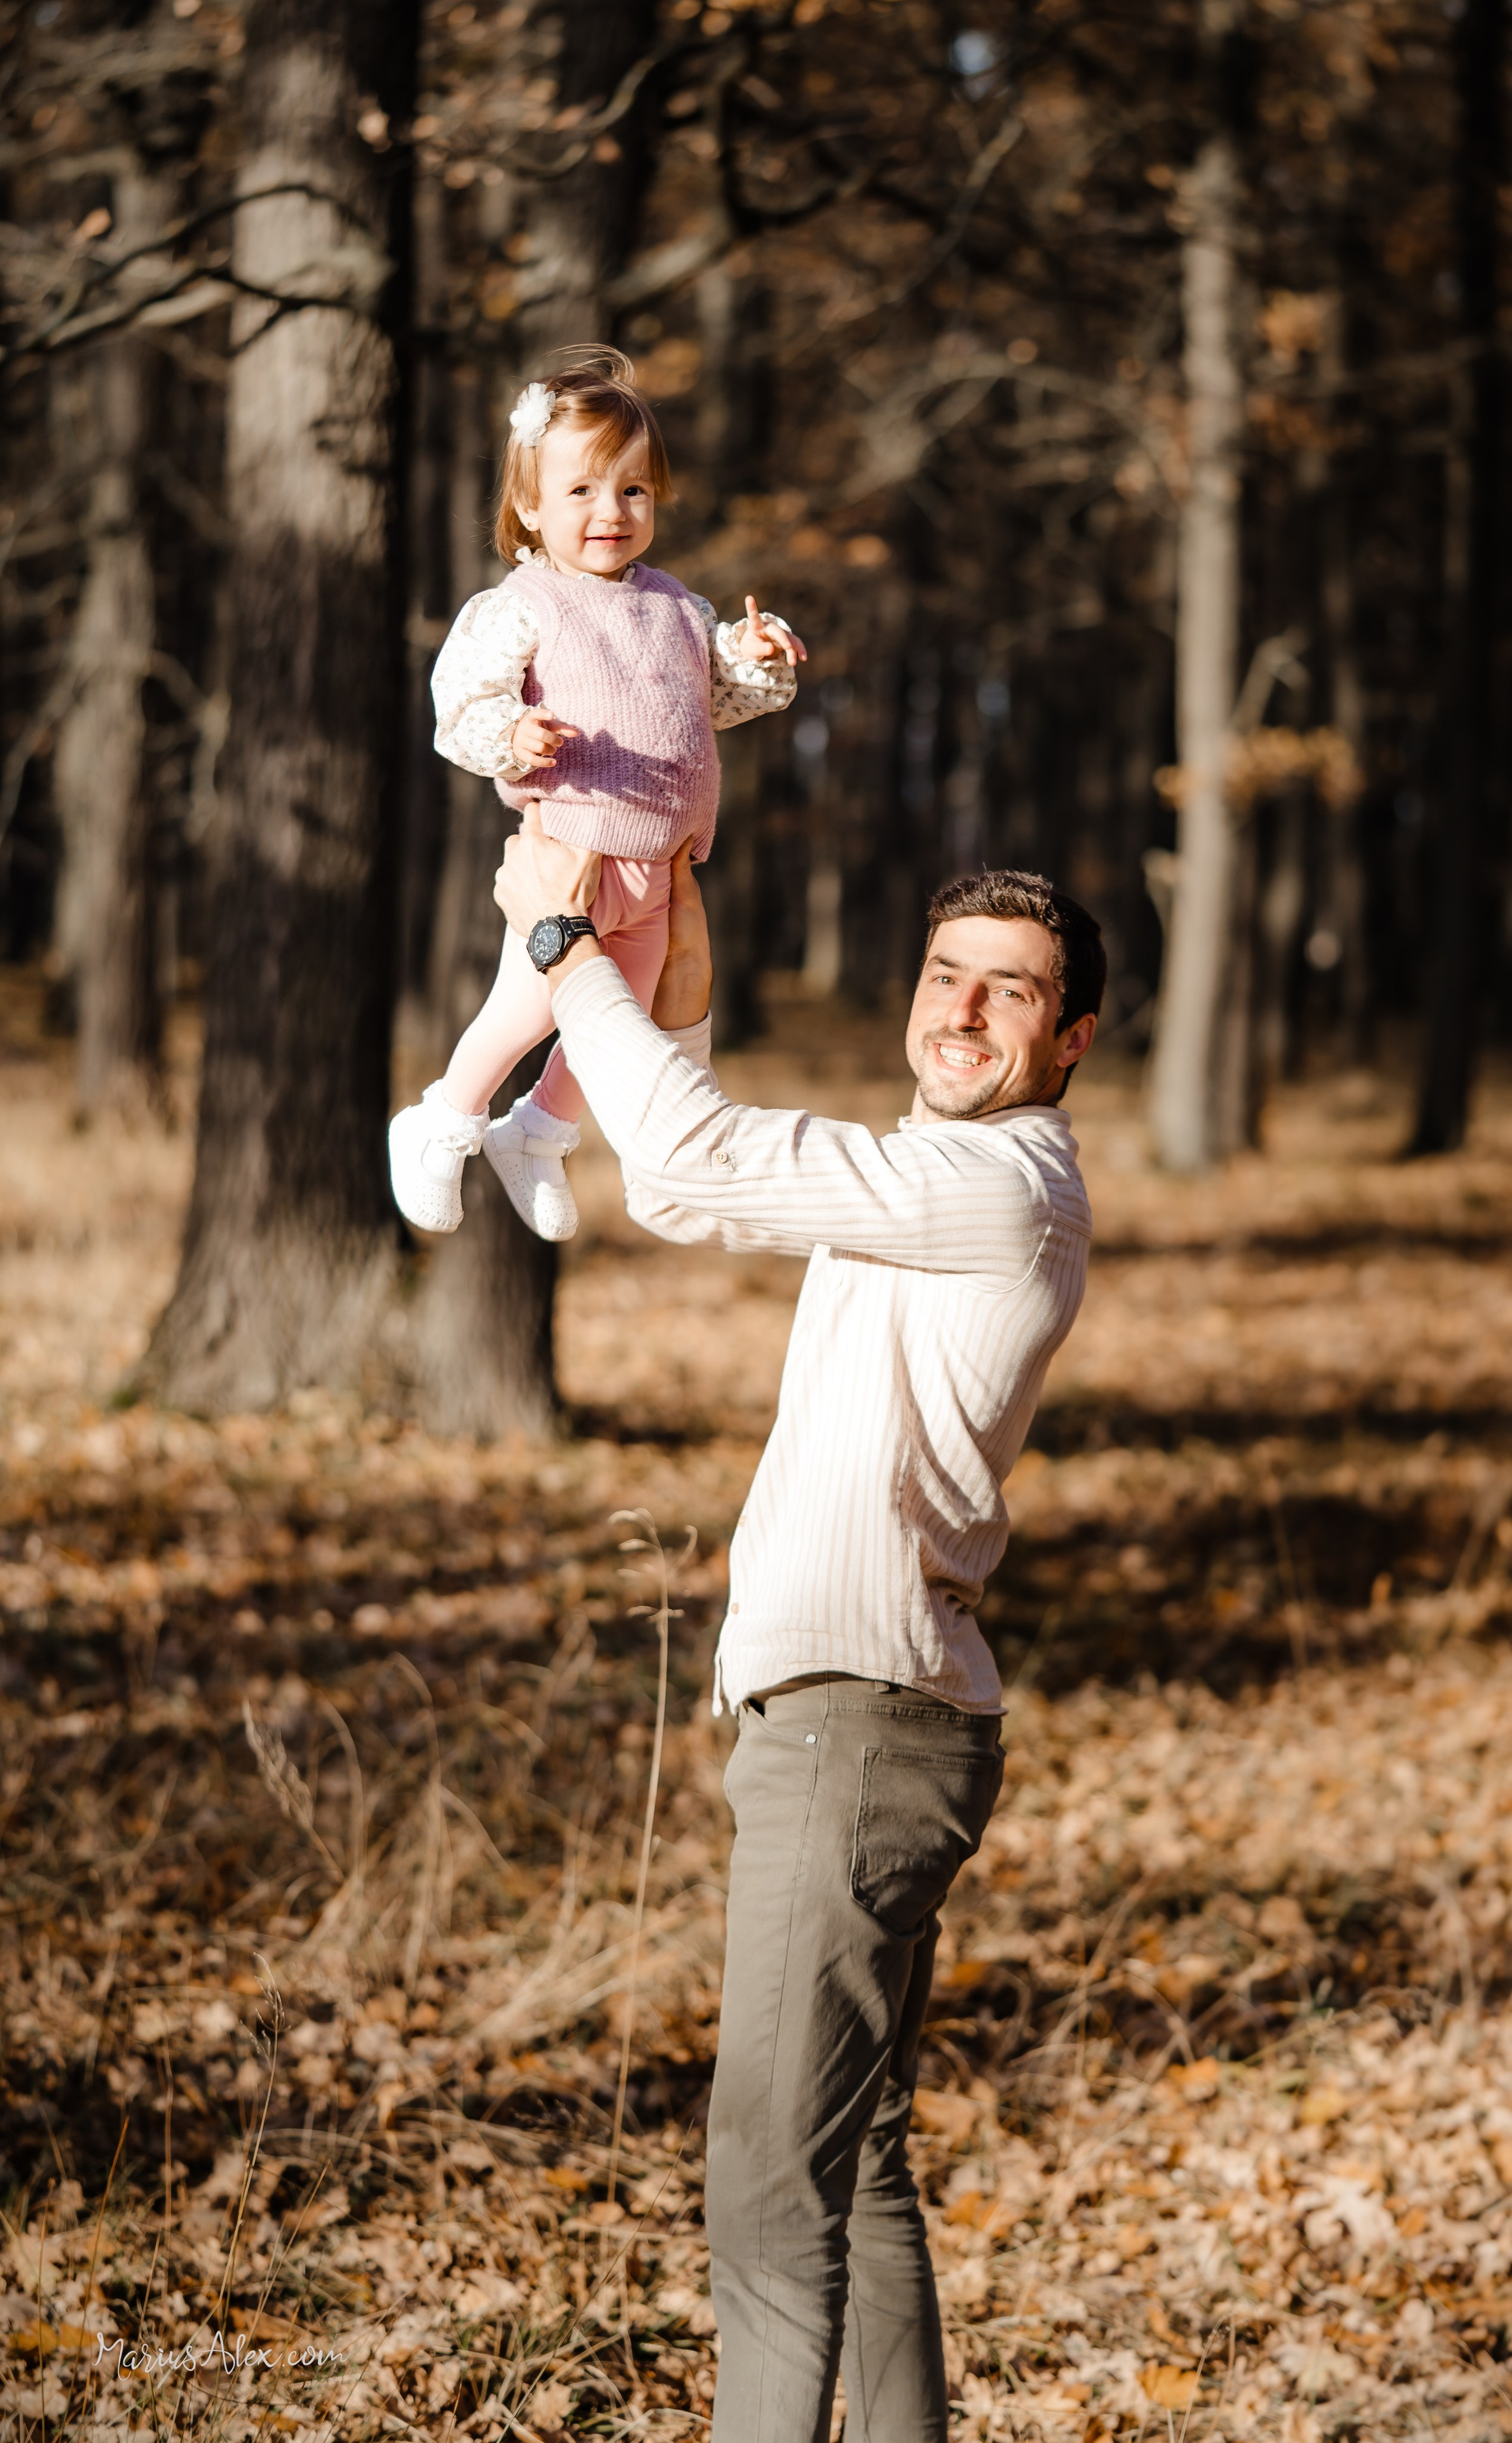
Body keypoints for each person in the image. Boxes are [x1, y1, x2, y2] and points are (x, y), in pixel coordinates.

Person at [493, 813, 1101, 2443]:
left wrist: (557, 955)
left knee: (766, 2190)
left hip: (855, 1730)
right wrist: (656, 970)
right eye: (944, 976)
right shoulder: (929, 1181)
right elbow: (703, 1166)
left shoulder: (990, 1187)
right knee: (858, 2158)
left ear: (1071, 1038)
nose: (963, 1013)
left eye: (1011, 993)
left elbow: (691, 1165)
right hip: (872, 1721)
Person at [388, 349, 804, 1244]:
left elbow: (710, 697)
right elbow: (459, 699)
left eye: (633, 493)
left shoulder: (677, 609)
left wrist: (754, 657)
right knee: (532, 1003)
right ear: (529, 507)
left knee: (622, 1022)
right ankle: (442, 1116)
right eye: (580, 493)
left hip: (661, 863)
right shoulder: (524, 604)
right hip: (571, 857)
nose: (610, 513)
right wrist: (512, 734)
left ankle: (537, 1133)